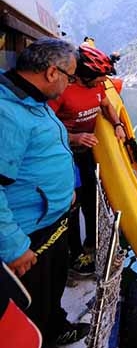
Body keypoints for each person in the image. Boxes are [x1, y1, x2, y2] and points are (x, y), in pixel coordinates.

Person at [0, 38, 90, 346]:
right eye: (70, 76)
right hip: (27, 235)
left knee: (52, 286)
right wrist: (13, 246)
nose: (70, 85)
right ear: (53, 72)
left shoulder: (33, 102)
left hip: (51, 220)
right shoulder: (6, 113)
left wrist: (68, 194)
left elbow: (46, 154)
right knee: (31, 302)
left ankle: (55, 328)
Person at [49, 44, 125, 276]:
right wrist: (74, 136)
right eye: (99, 77)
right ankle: (75, 257)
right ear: (86, 74)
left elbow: (106, 106)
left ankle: (93, 245)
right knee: (71, 205)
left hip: (85, 154)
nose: (103, 81)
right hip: (63, 155)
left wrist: (118, 124)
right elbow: (45, 127)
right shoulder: (63, 91)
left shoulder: (99, 86)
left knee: (92, 197)